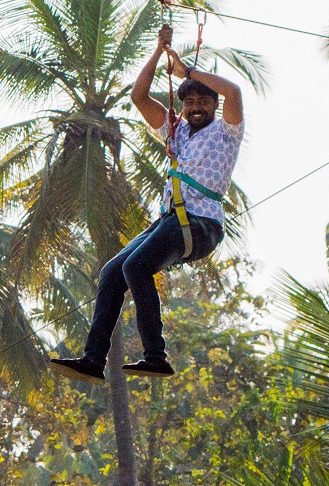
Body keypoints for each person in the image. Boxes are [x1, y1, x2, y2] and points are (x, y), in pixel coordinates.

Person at [50, 24, 244, 381]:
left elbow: (233, 90)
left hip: (200, 225)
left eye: (203, 101)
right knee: (112, 272)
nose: (196, 107)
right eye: (190, 102)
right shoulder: (176, 129)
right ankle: (93, 360)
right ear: (183, 107)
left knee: (135, 268)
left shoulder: (227, 130)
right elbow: (139, 97)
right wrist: (159, 51)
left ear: (214, 106)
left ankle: (156, 355)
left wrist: (186, 71)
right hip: (171, 221)